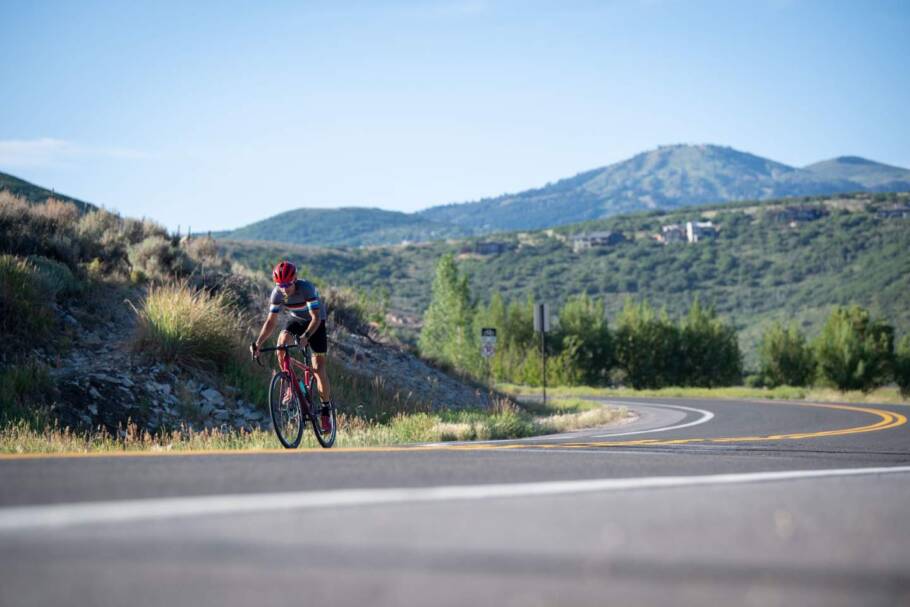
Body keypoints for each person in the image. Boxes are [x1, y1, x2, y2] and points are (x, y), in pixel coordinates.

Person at [250, 260, 333, 432]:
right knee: (281, 343)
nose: (284, 289)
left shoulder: (306, 289)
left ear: (294, 279)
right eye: (280, 285)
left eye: (287, 284)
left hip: (316, 322)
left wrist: (306, 336)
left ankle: (326, 410)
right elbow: (270, 322)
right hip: (297, 319)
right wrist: (258, 343)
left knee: (318, 368)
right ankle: (290, 383)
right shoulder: (277, 294)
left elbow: (315, 318)